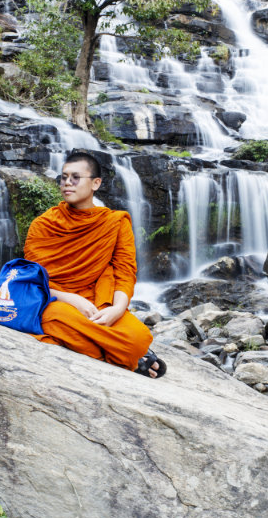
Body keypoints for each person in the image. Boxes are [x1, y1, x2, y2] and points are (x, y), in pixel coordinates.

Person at [24, 150, 165, 378]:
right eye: (64, 177)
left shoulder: (115, 222)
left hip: (96, 301)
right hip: (53, 299)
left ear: (96, 183)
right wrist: (71, 299)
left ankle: (120, 351)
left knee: (138, 338)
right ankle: (124, 358)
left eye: (76, 178)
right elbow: (31, 280)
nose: (67, 183)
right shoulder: (44, 224)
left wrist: (116, 310)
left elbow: (124, 273)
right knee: (53, 319)